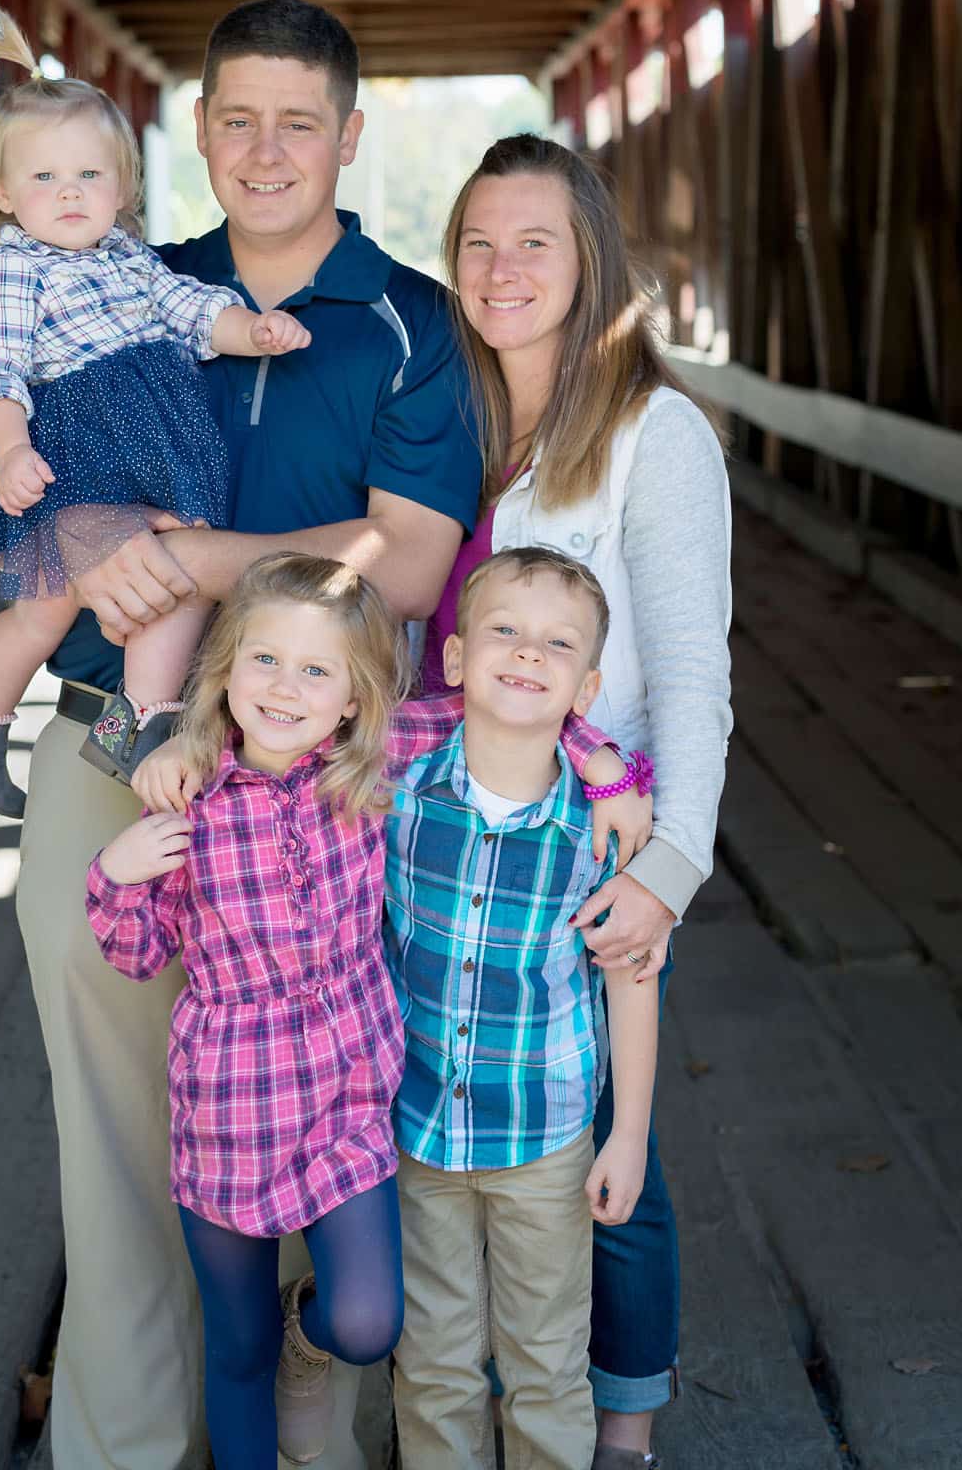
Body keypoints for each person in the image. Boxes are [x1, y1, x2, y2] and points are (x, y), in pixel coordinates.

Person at [14, 0, 482, 1470]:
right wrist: (105, 532)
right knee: (112, 1138)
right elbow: (40, 502)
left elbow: (405, 565)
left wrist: (181, 545)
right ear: (194, 132)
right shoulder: (115, 282)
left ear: (349, 137)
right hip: (116, 746)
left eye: (299, 121)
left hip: (323, 778)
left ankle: (305, 1412)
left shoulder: (409, 318)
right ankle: (122, 1445)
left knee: (313, 1097)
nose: (265, 149)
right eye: (235, 118)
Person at [124, 552, 636, 1468]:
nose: (524, 655)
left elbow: (521, 707)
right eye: (266, 662)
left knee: (511, 1349)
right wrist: (165, 752)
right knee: (398, 1357)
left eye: (316, 669)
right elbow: (136, 944)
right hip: (323, 1114)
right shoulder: (317, 777)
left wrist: (601, 758)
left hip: (466, 1118)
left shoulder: (546, 805)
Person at [429, 133, 733, 1470]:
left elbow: (687, 678)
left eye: (533, 241)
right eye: (477, 242)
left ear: (589, 257)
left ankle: (621, 1427)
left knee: (607, 1134)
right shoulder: (441, 412)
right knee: (445, 1115)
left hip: (585, 842)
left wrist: (668, 868)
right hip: (438, 828)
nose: (500, 269)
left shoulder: (650, 434)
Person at [0, 9, 308, 819]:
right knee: (65, 607)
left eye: (89, 177)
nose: (69, 195)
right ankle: (64, 722)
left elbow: (191, 308)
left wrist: (253, 330)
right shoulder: (7, 271)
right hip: (66, 453)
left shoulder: (129, 258)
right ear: (2, 192)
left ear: (122, 188)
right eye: (45, 179)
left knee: (159, 578)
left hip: (151, 450)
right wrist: (8, 451)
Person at [389, 545, 659, 1470]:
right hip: (416, 1125)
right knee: (433, 1363)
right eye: (503, 631)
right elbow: (307, 717)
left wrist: (627, 1137)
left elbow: (630, 977)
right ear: (456, 658)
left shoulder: (606, 825)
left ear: (584, 689)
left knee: (545, 1362)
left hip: (545, 1135)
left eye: (555, 645)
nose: (526, 654)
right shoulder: (398, 779)